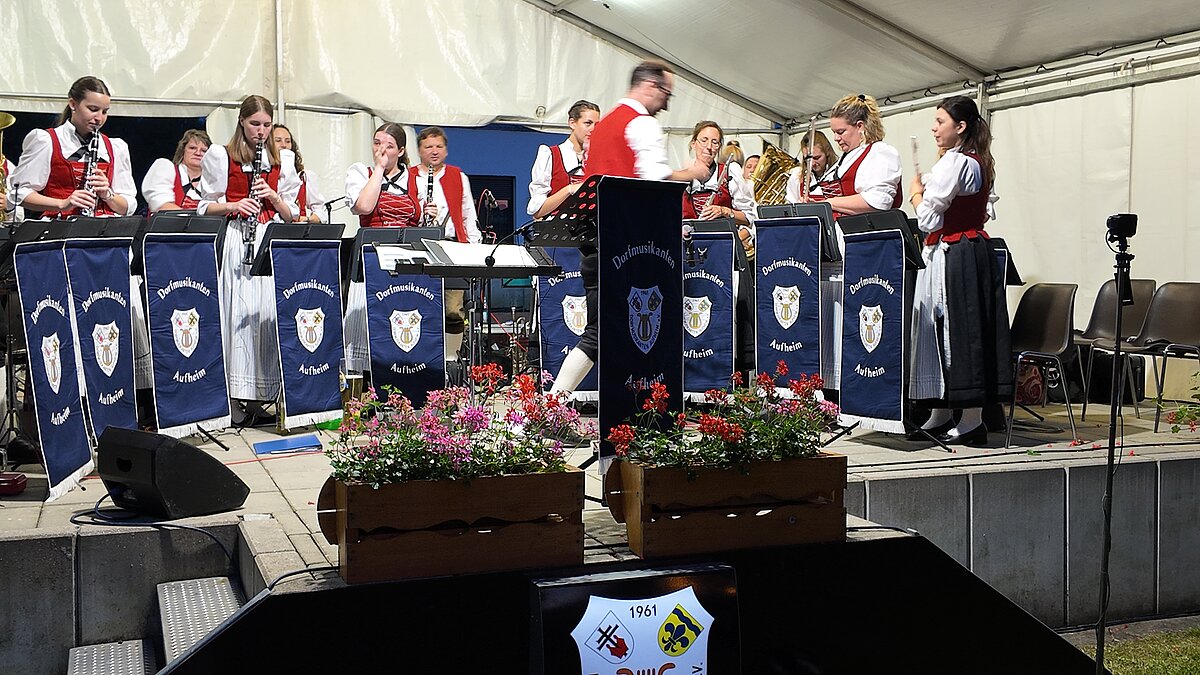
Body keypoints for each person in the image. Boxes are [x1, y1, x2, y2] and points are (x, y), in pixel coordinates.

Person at [552, 60, 708, 395]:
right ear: (650, 86)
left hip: (597, 239)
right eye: (666, 94)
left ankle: (623, 403)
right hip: (630, 246)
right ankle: (552, 405)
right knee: (611, 332)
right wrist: (693, 172)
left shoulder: (604, 125)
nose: (666, 103)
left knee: (609, 331)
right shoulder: (642, 124)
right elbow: (655, 181)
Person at [907, 95, 1010, 446]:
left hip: (956, 253)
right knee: (938, 330)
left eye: (940, 122)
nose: (934, 129)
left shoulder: (957, 163)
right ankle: (940, 413)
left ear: (960, 126)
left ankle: (971, 420)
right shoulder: (971, 161)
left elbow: (927, 218)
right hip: (954, 250)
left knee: (960, 331)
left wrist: (916, 195)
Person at [199, 95, 300, 421]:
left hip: (267, 238)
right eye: (255, 124)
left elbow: (292, 213)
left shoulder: (282, 159)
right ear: (242, 121)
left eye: (266, 125)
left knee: (264, 316)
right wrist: (234, 205)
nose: (261, 131)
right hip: (237, 238)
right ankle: (232, 400)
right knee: (237, 315)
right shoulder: (221, 155)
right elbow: (204, 206)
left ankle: (259, 397)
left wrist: (273, 197)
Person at [343, 122, 422, 373]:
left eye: (388, 146)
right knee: (366, 330)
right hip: (370, 260)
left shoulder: (416, 180)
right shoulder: (361, 172)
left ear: (401, 151)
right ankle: (362, 383)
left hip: (405, 265)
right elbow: (364, 206)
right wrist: (379, 168)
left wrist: (428, 215)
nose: (381, 150)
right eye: (377, 144)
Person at [8, 76, 137, 218]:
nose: (99, 118)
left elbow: (128, 207)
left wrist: (107, 194)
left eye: (104, 111)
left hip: (103, 227)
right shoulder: (46, 140)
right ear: (73, 104)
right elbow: (19, 194)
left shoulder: (115, 147)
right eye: (93, 109)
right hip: (59, 226)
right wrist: (63, 204)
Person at [406, 126, 482, 361]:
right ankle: (420, 358)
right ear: (419, 150)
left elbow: (468, 213)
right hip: (418, 246)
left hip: (451, 247)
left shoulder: (458, 176)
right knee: (418, 305)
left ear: (446, 151)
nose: (434, 151)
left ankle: (451, 360)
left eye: (439, 146)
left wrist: (474, 248)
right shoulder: (408, 176)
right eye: (428, 146)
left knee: (453, 308)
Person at [804, 94, 901, 217]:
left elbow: (878, 201)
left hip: (867, 228)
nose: (836, 138)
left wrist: (828, 203)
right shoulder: (846, 158)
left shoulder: (879, 152)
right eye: (834, 133)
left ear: (860, 126)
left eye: (840, 132)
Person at [527, 99, 600, 218]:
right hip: (558, 227)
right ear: (572, 123)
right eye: (588, 123)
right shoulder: (551, 154)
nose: (593, 129)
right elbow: (537, 212)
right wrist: (568, 190)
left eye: (596, 125)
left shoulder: (597, 158)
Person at [141, 129, 211, 213]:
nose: (198, 153)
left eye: (204, 151)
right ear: (182, 150)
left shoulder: (212, 182)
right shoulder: (165, 169)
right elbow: (161, 205)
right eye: (192, 148)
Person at [272, 124, 324, 222]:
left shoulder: (304, 176)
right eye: (278, 140)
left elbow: (321, 211)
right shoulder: (264, 175)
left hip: (297, 230)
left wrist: (307, 219)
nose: (284, 145)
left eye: (288, 141)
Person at [785, 130, 838, 204]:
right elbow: (791, 203)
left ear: (827, 153)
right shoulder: (797, 175)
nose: (812, 163)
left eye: (817, 158)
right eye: (807, 159)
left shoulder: (839, 172)